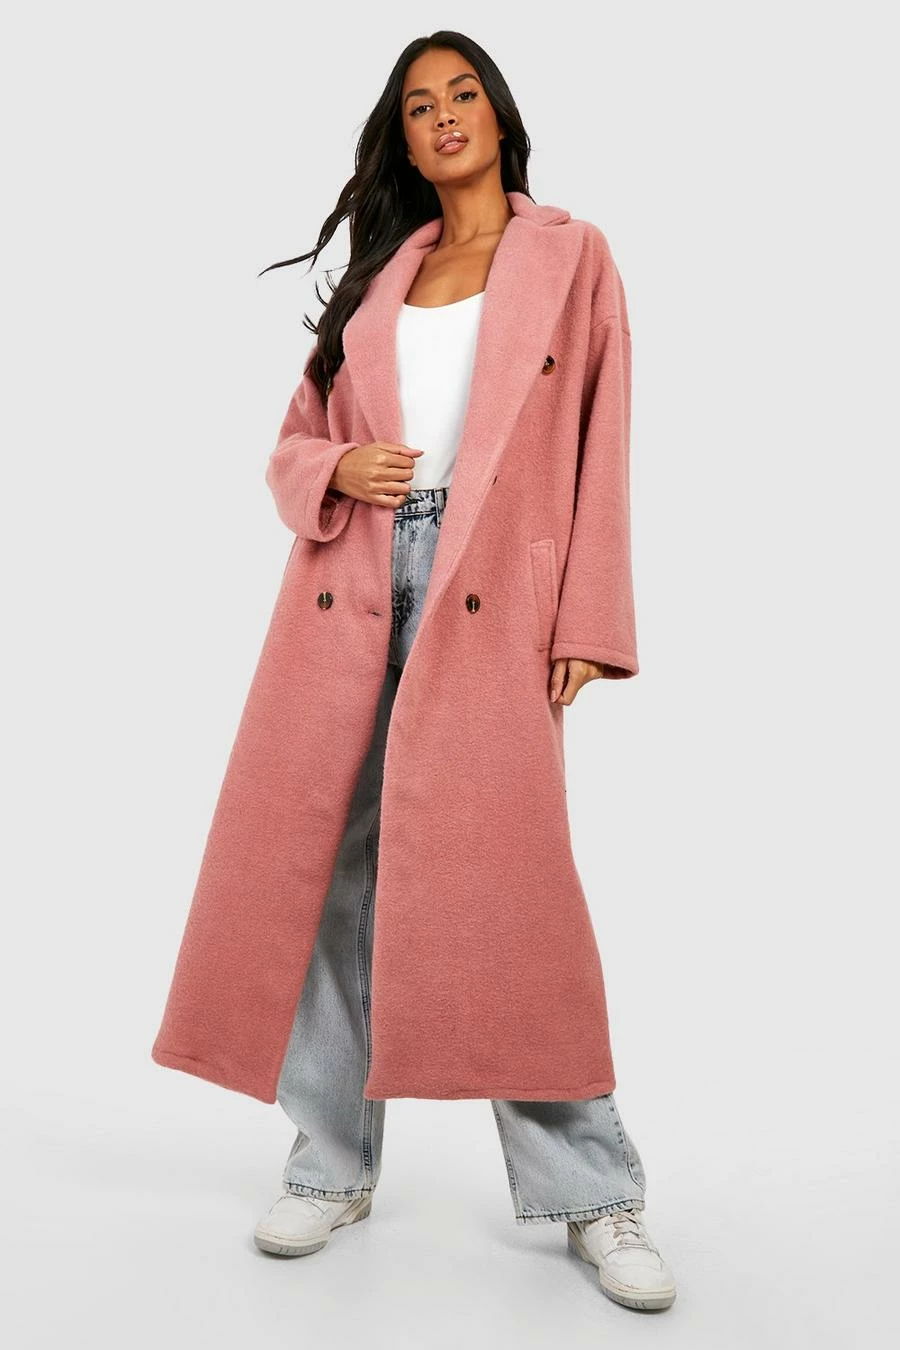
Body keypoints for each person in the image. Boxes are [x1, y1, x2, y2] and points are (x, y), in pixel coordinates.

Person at [245, 33, 677, 1312]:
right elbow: (294, 442)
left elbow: (605, 434)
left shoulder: (571, 254)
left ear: (499, 113)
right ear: (404, 138)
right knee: (330, 870)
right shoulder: (382, 276)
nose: (444, 117)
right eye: (420, 106)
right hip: (352, 586)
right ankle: (329, 1161)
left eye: (463, 94)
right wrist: (338, 469)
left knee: (510, 883)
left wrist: (587, 617)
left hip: (497, 588)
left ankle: (593, 1192)